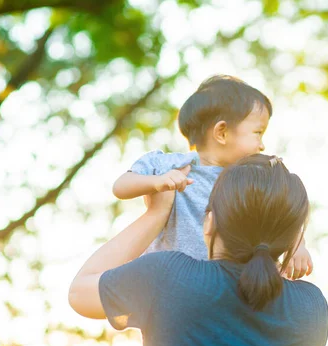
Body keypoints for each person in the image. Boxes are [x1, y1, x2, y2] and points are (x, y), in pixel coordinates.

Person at [69, 154, 328, 346]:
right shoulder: (312, 307)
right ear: (291, 238)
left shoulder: (169, 278)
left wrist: (155, 215)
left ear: (209, 222)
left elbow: (79, 292)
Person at [112, 75, 312, 279]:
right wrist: (156, 183)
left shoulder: (249, 182)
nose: (262, 145)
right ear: (222, 133)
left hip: (223, 284)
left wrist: (297, 244)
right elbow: (121, 187)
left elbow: (279, 210)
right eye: (258, 132)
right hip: (168, 280)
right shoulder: (170, 165)